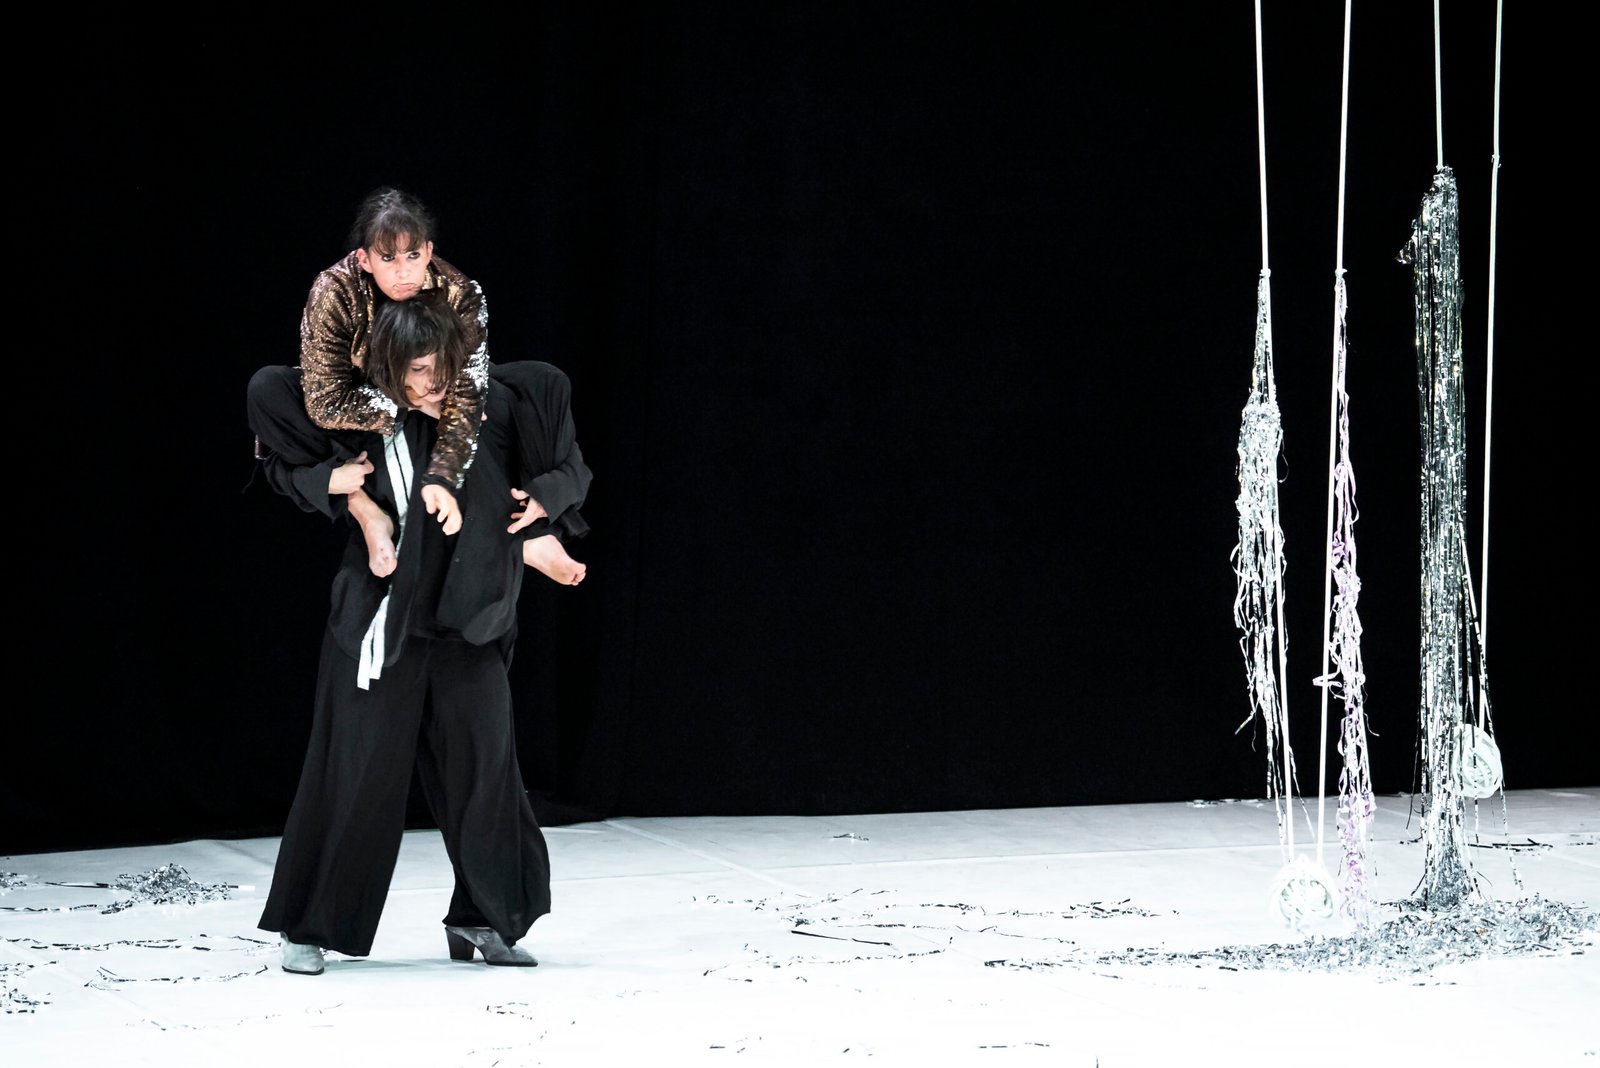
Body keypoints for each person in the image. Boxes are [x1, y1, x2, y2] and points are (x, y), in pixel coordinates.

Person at [257, 292, 581, 973]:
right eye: (417, 371)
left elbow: (561, 436)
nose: (434, 383)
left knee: (485, 773)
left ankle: (484, 919)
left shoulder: (488, 407)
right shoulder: (362, 414)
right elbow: (273, 415)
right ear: (388, 367)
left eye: (444, 367)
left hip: (469, 617)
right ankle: (309, 924)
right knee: (354, 771)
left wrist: (547, 503)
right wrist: (340, 490)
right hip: (384, 616)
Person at [247, 185, 589, 586]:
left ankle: (535, 534)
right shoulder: (334, 291)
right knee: (267, 388)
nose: (403, 272)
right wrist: (403, 402)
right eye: (388, 258)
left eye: (412, 256)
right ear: (365, 259)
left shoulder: (460, 293)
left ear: (428, 251)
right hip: (363, 406)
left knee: (542, 381)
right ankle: (363, 508)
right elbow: (325, 401)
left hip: (438, 392)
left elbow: (467, 392)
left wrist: (441, 477)